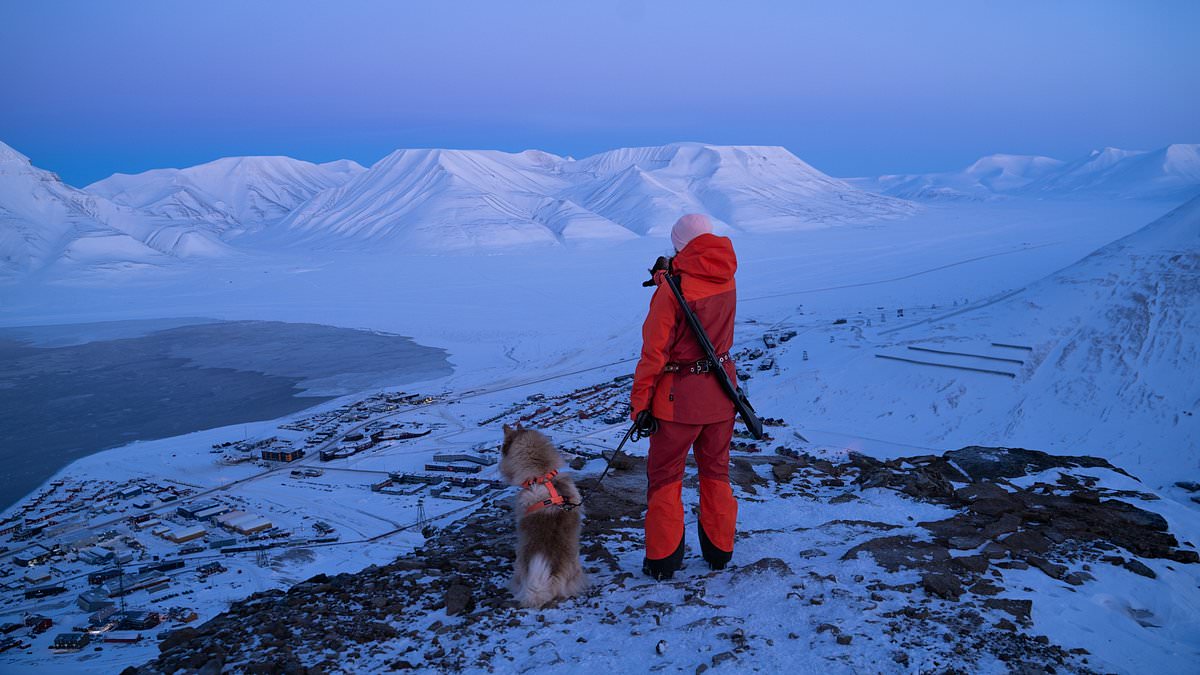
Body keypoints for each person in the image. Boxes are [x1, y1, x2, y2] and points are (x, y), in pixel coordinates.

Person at [630, 213, 739, 580]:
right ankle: (720, 551)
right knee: (716, 472)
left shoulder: (671, 293)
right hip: (723, 394)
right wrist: (667, 276)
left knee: (665, 477)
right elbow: (695, 283)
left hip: (679, 401)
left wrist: (640, 405)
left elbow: (653, 356)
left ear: (678, 246)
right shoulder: (726, 274)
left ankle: (663, 560)